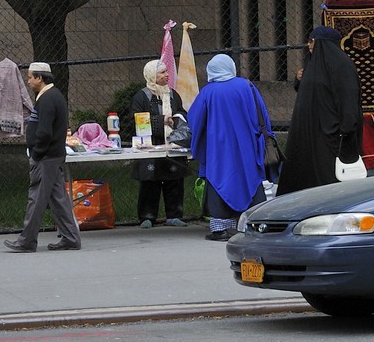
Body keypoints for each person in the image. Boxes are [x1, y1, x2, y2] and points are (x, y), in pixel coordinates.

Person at [186, 54, 269, 241]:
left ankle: (220, 229)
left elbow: (195, 120)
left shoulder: (208, 92)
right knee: (250, 179)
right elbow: (262, 115)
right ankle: (255, 224)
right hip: (247, 144)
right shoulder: (246, 86)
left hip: (218, 149)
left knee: (219, 180)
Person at [5, 62, 82, 253]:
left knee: (36, 198)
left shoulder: (48, 98)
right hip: (53, 156)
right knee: (58, 198)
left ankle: (27, 241)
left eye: (31, 77)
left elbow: (45, 132)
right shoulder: (53, 96)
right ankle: (71, 238)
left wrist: (37, 153)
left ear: (40, 78)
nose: (28, 80)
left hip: (46, 158)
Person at [277, 25, 363, 196]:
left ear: (323, 43)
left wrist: (346, 130)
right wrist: (298, 80)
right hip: (309, 135)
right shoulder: (312, 64)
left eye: (312, 41)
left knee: (329, 181)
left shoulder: (342, 66)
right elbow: (309, 94)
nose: (308, 45)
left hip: (331, 135)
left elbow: (348, 100)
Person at [129, 58, 189, 228]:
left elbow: (181, 114)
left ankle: (174, 215)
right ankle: (147, 216)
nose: (167, 75)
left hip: (171, 144)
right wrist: (161, 120)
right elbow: (135, 120)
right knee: (150, 182)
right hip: (150, 144)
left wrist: (174, 121)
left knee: (175, 180)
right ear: (151, 76)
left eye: (166, 72)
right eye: (162, 72)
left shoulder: (172, 94)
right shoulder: (142, 96)